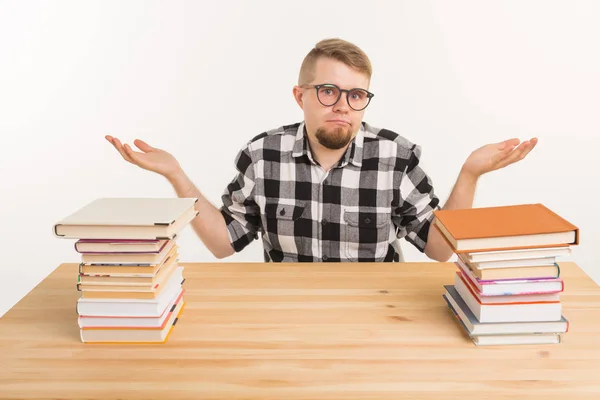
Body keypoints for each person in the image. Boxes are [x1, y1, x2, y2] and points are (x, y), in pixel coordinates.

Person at [106, 38, 537, 263]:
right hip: (286, 314)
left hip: (378, 314)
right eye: (328, 91)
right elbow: (223, 244)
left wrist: (470, 175)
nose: (342, 107)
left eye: (356, 95)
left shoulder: (397, 156)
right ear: (301, 95)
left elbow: (441, 251)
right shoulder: (261, 155)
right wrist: (176, 176)